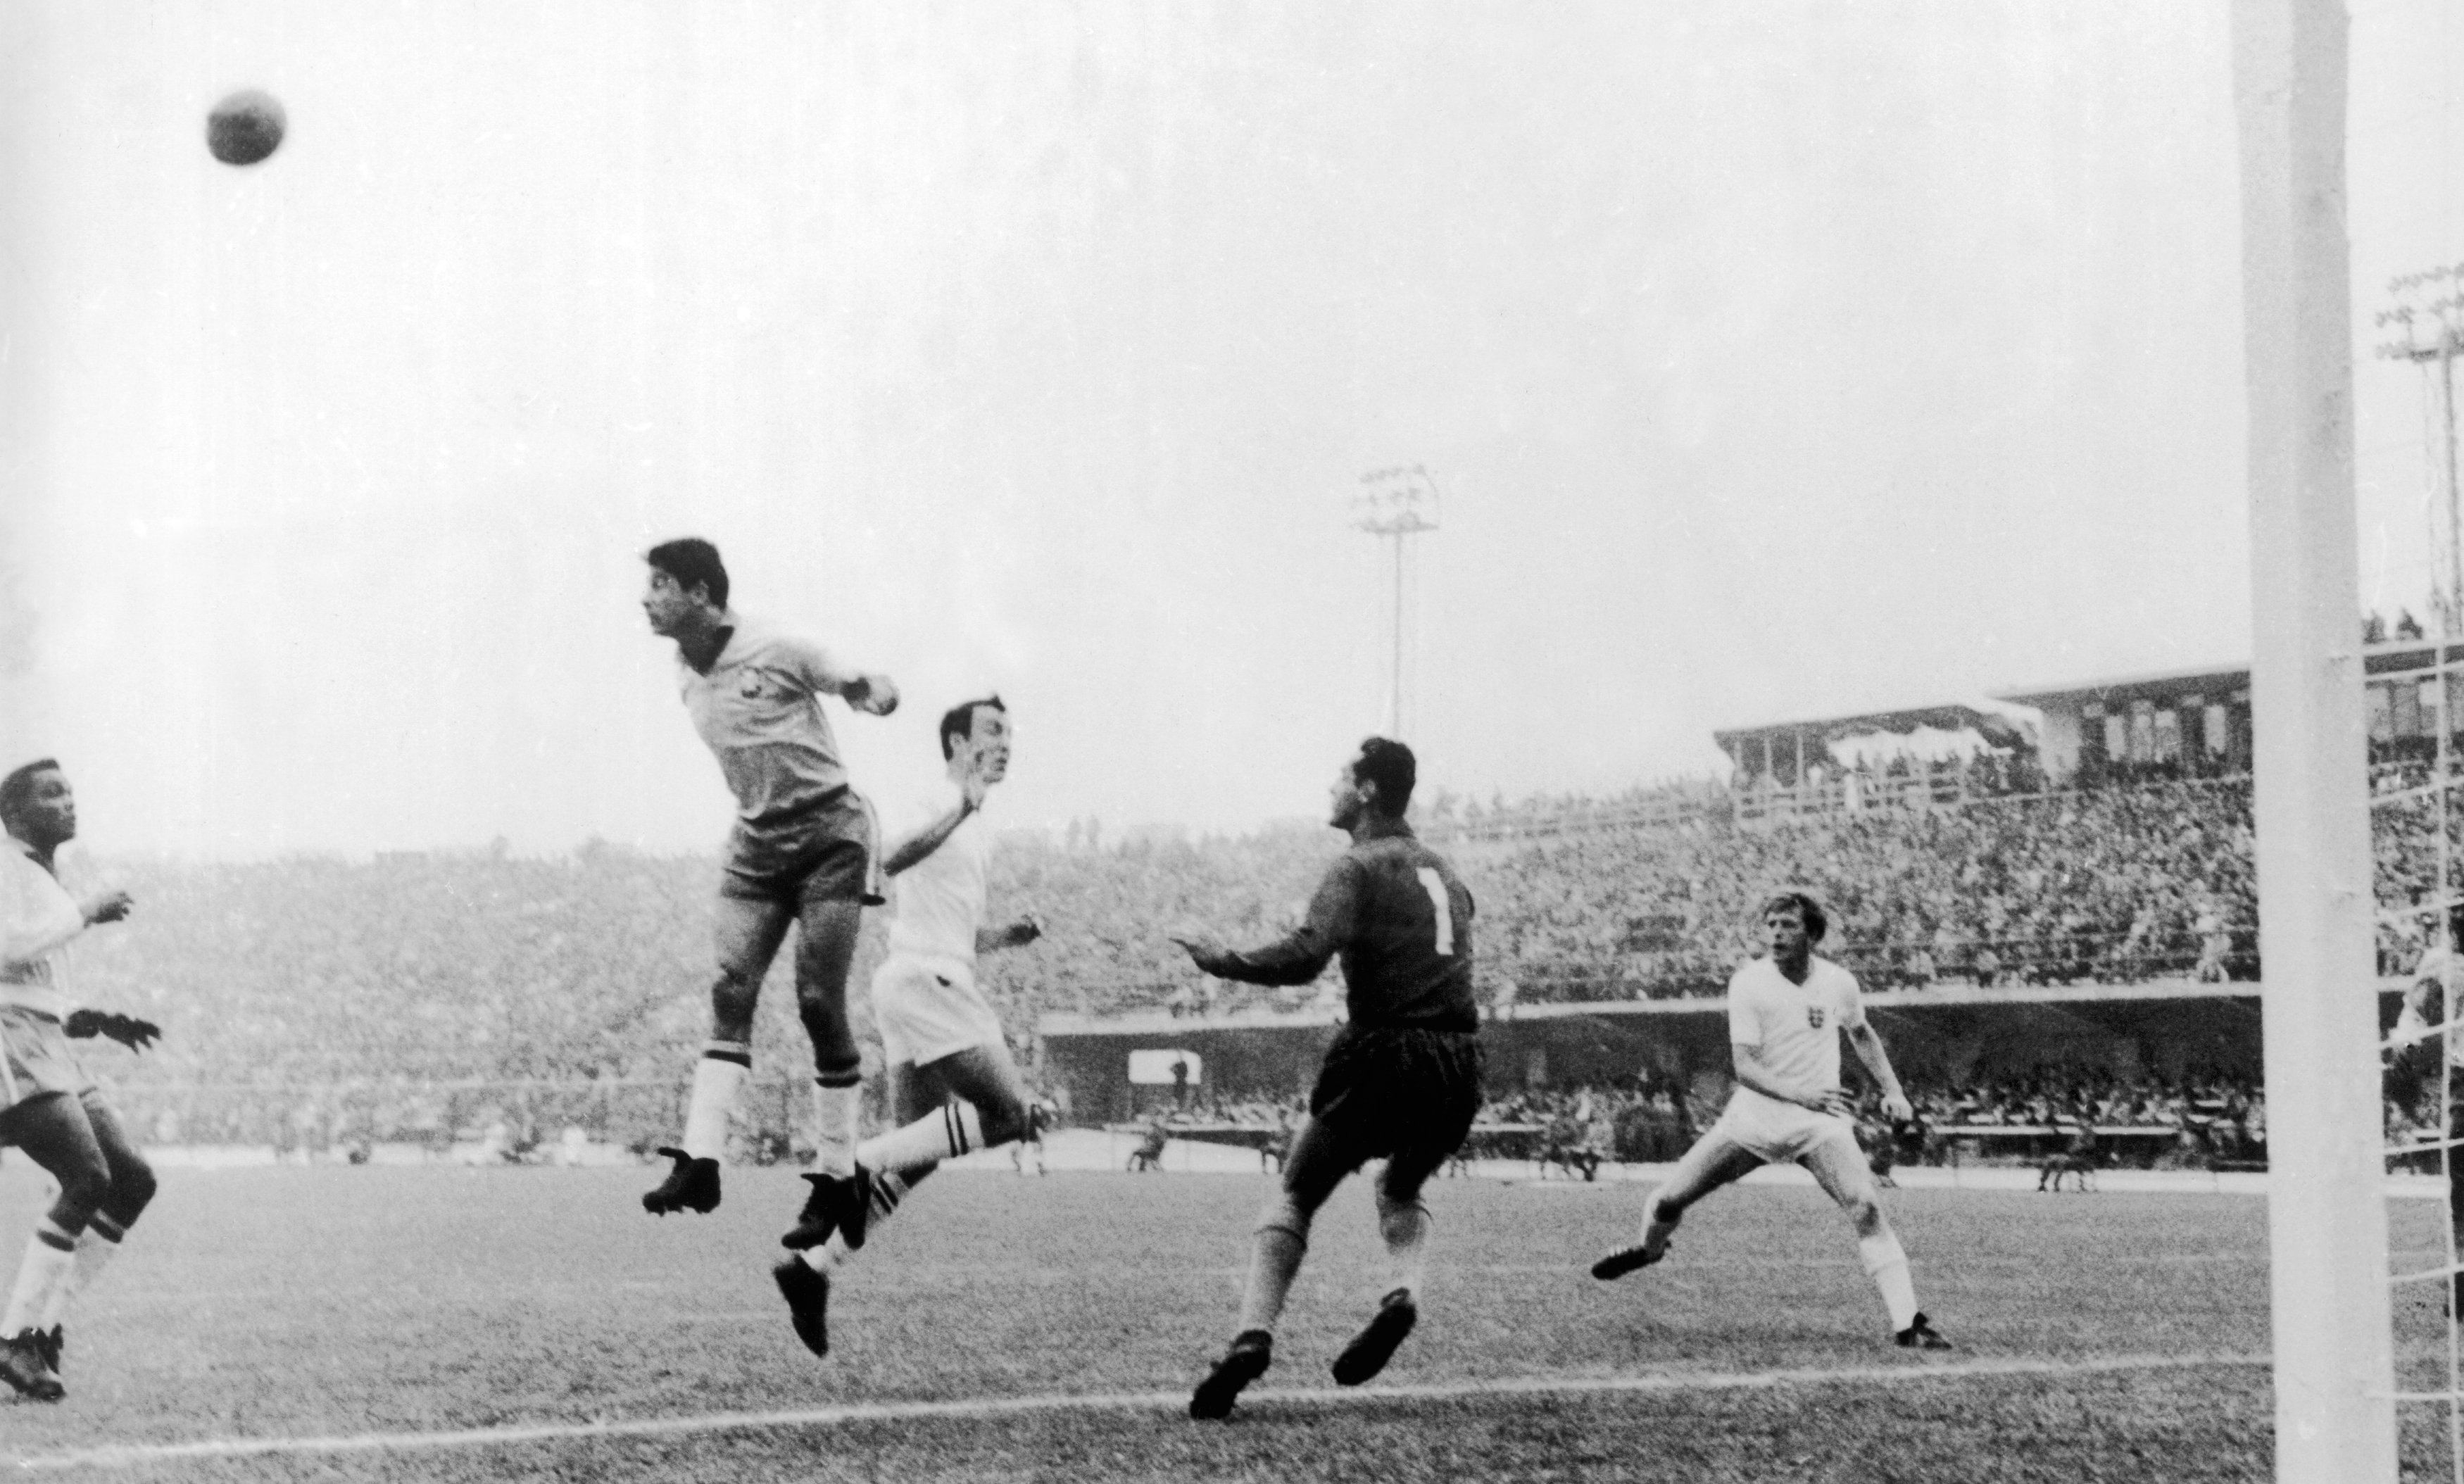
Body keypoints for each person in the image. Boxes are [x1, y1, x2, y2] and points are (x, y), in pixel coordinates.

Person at [1171, 738, 1485, 1419]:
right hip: (1460, 1059)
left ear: (1367, 790)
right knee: (1399, 1183)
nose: (1330, 787)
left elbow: (1306, 955)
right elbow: (1461, 924)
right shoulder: (1447, 869)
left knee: (1295, 1191)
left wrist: (1220, 959)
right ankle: (1402, 1292)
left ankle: (1251, 1335)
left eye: (1340, 776)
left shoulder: (1356, 865)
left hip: (1384, 1049)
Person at [634, 539, 898, 1239]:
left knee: (816, 999)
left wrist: (871, 690)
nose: (646, 596)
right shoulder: (684, 669)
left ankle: (838, 1176)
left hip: (827, 833)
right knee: (728, 984)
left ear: (699, 592)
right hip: (756, 842)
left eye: (660, 583)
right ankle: (701, 1159)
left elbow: (849, 678)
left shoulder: (775, 644)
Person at [769, 696, 1044, 1358]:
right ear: (956, 742)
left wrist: (1006, 935)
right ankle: (845, 1170)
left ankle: (812, 1272)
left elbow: (953, 925)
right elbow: (887, 860)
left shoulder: (977, 825)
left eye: (1011, 732)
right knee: (1011, 1116)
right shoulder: (938, 798)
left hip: (924, 975)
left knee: (915, 1158)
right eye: (993, 731)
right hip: (926, 980)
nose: (1006, 742)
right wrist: (959, 809)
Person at [1590, 891, 1951, 1350]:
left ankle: (1909, 1325)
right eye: (1772, 925)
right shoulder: (1748, 983)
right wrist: (1800, 1093)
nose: (1777, 934)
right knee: (1667, 1203)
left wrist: (1894, 1090)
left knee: (1866, 1206)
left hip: (1819, 1125)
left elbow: (1861, 1032)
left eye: (1789, 925)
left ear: (1813, 934)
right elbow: (1745, 1068)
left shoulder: (1839, 982)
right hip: (1753, 1121)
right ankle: (1649, 1249)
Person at [0, 760, 163, 1401]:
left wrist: (88, 1017)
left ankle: (39, 1327)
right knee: (87, 1177)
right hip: (10, 1042)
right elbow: (6, 949)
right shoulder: (5, 865)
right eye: (51, 793)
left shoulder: (41, 872)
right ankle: (17, 1336)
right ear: (13, 811)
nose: (68, 801)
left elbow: (35, 977)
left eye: (69, 789)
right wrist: (87, 913)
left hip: (47, 1039)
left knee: (131, 1181)